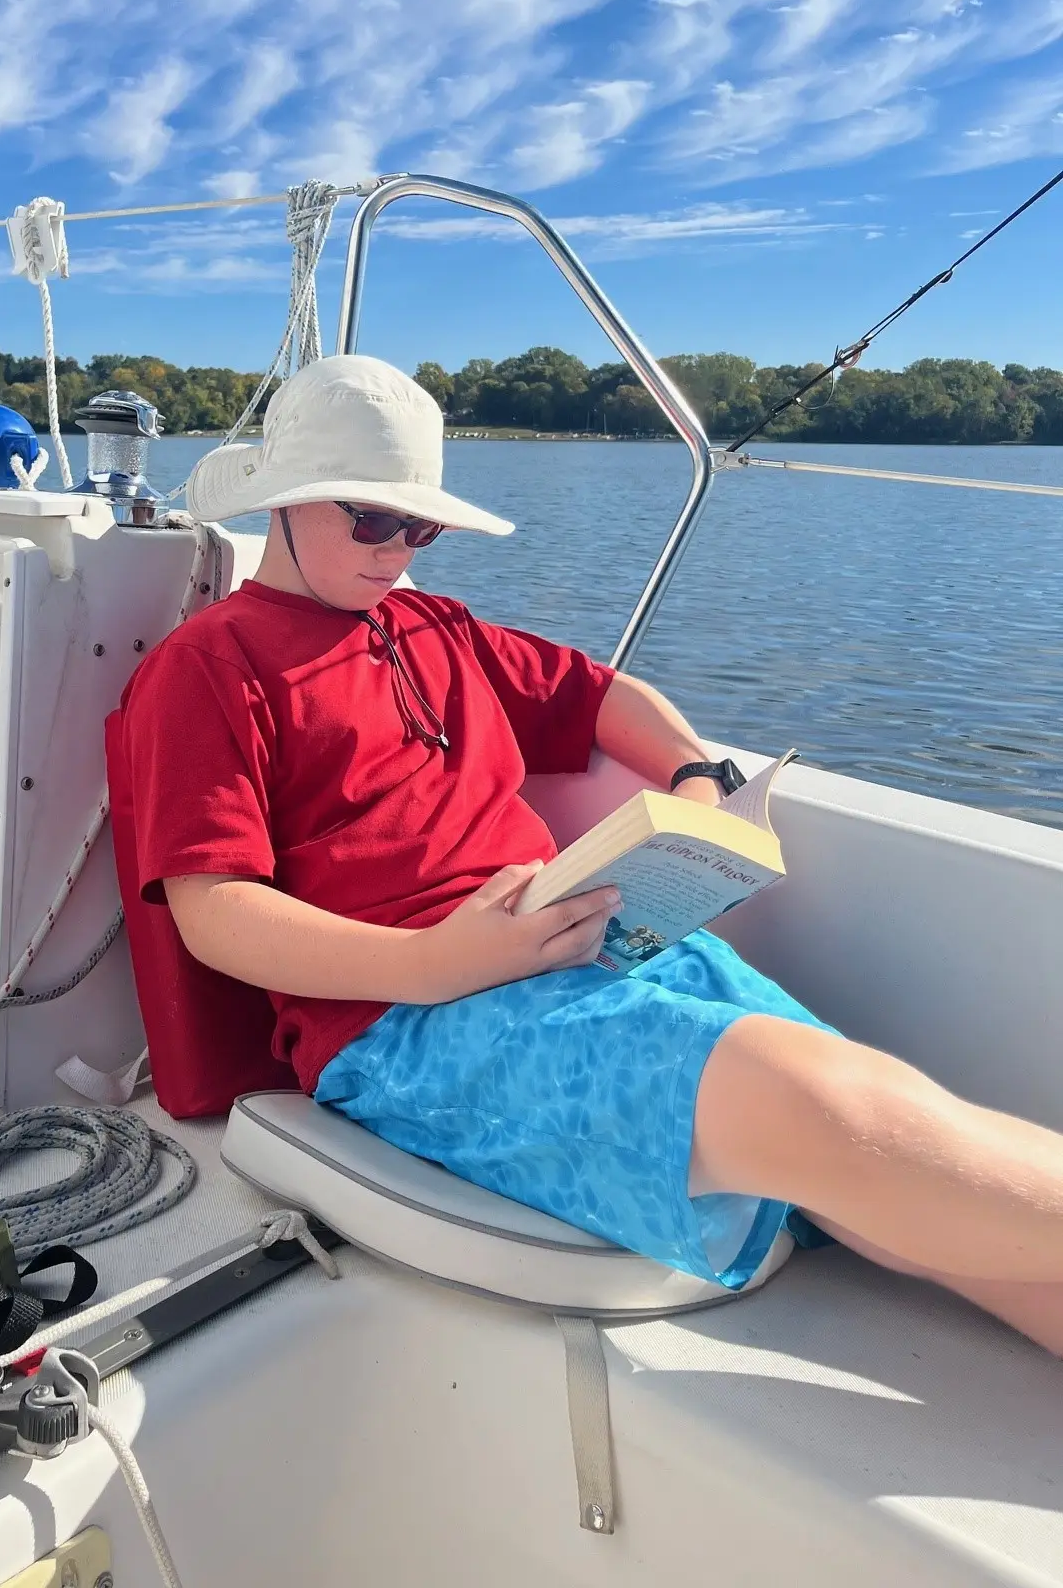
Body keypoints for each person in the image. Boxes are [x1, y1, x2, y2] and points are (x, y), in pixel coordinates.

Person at [122, 354, 1063, 1350]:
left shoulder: (440, 628)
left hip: (589, 942)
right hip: (402, 1024)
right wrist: (437, 963)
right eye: (371, 517)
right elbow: (214, 910)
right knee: (830, 1109)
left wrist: (701, 781)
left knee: (879, 1144)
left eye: (421, 523)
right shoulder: (208, 668)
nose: (399, 548)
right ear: (287, 503)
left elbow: (602, 696)